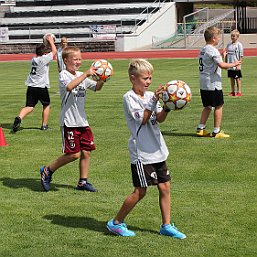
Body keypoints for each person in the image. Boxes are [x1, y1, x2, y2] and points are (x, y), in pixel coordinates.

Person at [106, 59, 186, 239]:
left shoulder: (150, 96)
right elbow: (141, 119)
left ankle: (166, 225)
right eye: (145, 78)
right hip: (142, 153)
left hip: (158, 150)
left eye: (150, 78)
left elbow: (158, 119)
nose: (149, 81)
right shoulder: (129, 97)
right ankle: (116, 223)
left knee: (165, 188)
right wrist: (154, 101)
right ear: (133, 78)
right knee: (140, 191)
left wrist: (167, 106)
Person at [39, 46, 106, 192]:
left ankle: (83, 182)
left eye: (80, 59)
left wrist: (102, 79)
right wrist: (86, 74)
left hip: (82, 121)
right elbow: (69, 87)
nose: (78, 61)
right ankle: (47, 170)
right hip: (69, 121)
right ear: (65, 60)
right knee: (73, 154)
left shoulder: (81, 74)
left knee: (87, 151)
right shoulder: (64, 74)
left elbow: (96, 88)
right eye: (75, 59)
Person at [196, 26, 241, 139]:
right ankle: (216, 131)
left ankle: (200, 128)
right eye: (219, 37)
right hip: (213, 83)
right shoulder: (212, 50)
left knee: (207, 106)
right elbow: (222, 65)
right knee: (219, 105)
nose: (220, 39)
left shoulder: (203, 49)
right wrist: (234, 64)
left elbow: (212, 62)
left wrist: (222, 56)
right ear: (214, 38)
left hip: (204, 82)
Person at [12, 35, 57, 132]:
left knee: (29, 106)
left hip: (31, 86)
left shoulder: (33, 59)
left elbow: (46, 53)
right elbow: (54, 51)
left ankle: (19, 118)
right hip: (41, 87)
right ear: (44, 53)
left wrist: (45, 45)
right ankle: (44, 126)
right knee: (46, 105)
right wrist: (51, 41)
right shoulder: (44, 59)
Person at [224, 29, 244, 97]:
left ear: (237, 37)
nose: (232, 37)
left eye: (233, 36)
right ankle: (233, 91)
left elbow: (241, 56)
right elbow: (226, 54)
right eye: (231, 36)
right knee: (231, 79)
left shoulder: (239, 45)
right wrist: (226, 62)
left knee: (237, 79)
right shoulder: (228, 45)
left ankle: (239, 92)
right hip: (230, 65)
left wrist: (239, 65)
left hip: (236, 66)